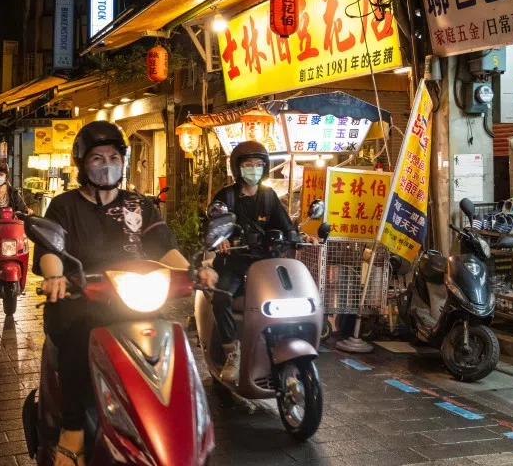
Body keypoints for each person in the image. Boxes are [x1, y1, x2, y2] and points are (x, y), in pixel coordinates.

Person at [35, 121, 217, 466]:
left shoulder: (139, 205)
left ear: (124, 161)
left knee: (167, 338)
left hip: (132, 300)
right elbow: (49, 249)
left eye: (114, 157)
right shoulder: (64, 206)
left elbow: (165, 248)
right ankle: (73, 429)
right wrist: (56, 276)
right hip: (82, 301)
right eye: (97, 158)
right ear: (81, 164)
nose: (107, 164)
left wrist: (194, 271)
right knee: (77, 339)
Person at [209, 140, 316, 384]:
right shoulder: (226, 196)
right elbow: (213, 225)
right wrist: (220, 240)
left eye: (259, 164)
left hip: (265, 264)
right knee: (222, 296)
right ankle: (231, 351)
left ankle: (285, 338)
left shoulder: (269, 197)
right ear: (238, 168)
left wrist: (303, 236)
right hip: (234, 263)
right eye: (248, 164)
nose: (254, 169)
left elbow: (286, 226)